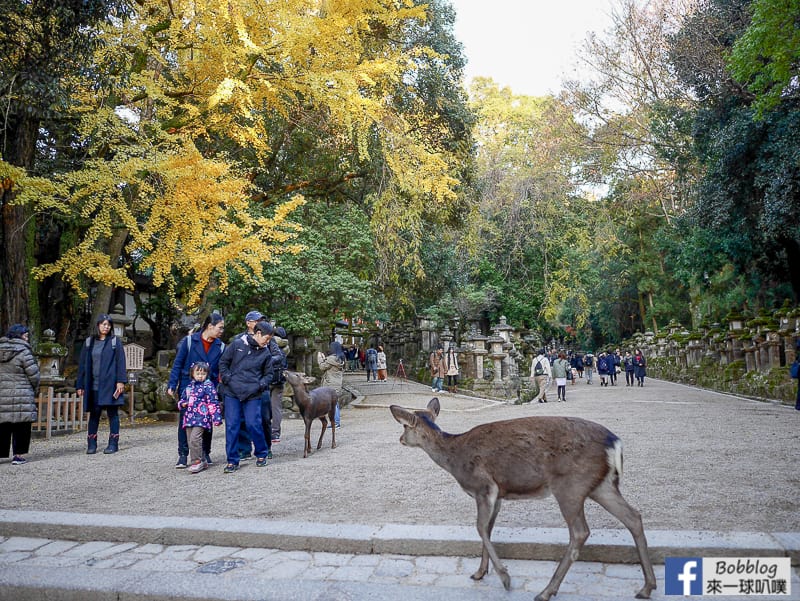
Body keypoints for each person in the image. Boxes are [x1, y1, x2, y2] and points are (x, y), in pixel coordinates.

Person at [167, 312, 225, 468]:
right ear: (209, 326)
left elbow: (222, 369)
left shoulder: (220, 346)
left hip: (209, 388)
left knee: (207, 422)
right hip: (189, 388)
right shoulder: (189, 342)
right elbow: (178, 364)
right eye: (220, 328)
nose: (221, 331)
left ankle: (205, 453)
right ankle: (183, 454)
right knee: (185, 422)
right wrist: (172, 384)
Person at [218, 321, 274, 473]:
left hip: (253, 393)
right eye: (267, 338)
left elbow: (269, 374)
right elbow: (223, 363)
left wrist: (260, 385)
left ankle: (261, 453)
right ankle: (232, 460)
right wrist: (228, 378)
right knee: (232, 426)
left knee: (253, 424)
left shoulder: (266, 353)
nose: (268, 342)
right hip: (232, 392)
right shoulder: (237, 344)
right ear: (258, 334)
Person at [76, 314, 127, 454]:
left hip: (110, 384)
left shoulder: (115, 342)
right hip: (93, 384)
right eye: (103, 324)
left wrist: (121, 381)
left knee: (113, 413)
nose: (106, 327)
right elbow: (82, 365)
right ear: (98, 325)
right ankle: (91, 444)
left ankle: (113, 443)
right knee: (94, 414)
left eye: (108, 324)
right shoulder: (89, 342)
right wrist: (80, 385)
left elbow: (120, 362)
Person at [0, 325, 40, 465]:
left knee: (2, 424)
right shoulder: (24, 352)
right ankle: (18, 455)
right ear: (20, 336)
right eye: (26, 335)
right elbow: (33, 375)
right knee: (21, 426)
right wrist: (35, 388)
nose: (27, 338)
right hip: (22, 393)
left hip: (2, 394)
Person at [178, 362, 222, 473]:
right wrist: (182, 403)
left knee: (195, 438)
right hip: (189, 417)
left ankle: (196, 461)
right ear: (192, 374)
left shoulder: (208, 386)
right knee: (190, 440)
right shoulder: (189, 386)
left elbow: (213, 402)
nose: (200, 375)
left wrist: (216, 417)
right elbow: (183, 398)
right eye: (197, 373)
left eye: (203, 373)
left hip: (202, 417)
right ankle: (202, 459)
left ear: (207, 374)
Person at [270, 326, 290, 443]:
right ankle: (276, 433)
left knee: (264, 407)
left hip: (268, 380)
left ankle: (265, 431)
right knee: (276, 407)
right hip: (279, 380)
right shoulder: (285, 347)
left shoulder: (269, 343)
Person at [318, 342, 345, 427]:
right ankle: (336, 421)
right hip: (337, 383)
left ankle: (336, 422)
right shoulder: (341, 358)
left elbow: (322, 367)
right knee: (335, 403)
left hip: (330, 383)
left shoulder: (331, 359)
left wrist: (320, 359)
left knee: (333, 404)